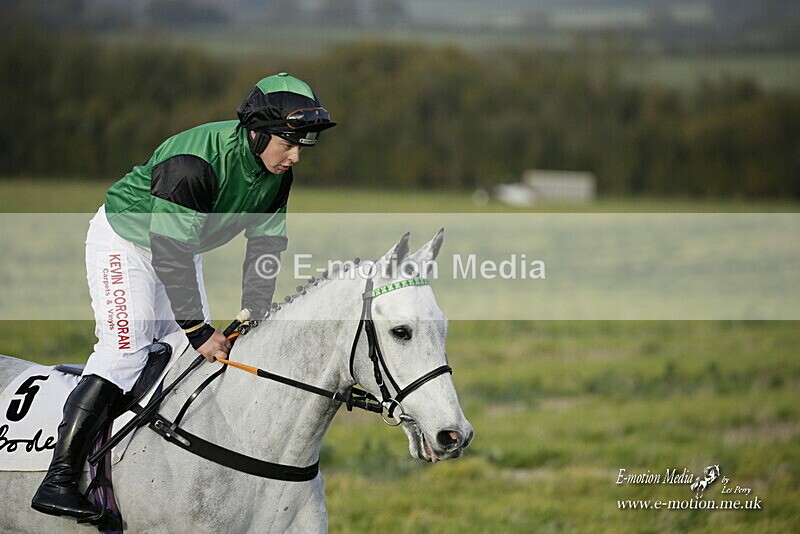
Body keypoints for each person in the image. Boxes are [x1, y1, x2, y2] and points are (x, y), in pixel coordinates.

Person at [30, 73, 336, 521]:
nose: (294, 157)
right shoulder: (194, 165)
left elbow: (266, 246)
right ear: (256, 133)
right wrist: (198, 329)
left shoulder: (277, 177)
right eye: (287, 144)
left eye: (301, 147)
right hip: (127, 241)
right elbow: (168, 254)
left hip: (179, 245)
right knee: (125, 353)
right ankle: (57, 479)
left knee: (188, 360)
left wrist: (253, 312)